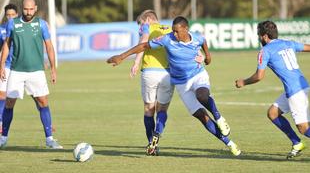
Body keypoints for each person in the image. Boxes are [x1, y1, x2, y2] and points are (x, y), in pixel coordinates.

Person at [107, 16, 240, 156]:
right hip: (181, 84)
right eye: (173, 31)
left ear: (186, 29)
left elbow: (205, 47)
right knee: (202, 117)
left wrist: (207, 58)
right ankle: (229, 143)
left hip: (197, 76)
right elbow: (144, 45)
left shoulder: (197, 38)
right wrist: (122, 56)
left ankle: (219, 117)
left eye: (177, 31)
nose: (174, 34)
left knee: (202, 95)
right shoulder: (167, 39)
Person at [235, 20, 310, 159]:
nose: (258, 38)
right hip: (301, 85)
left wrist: (243, 82)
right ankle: (296, 143)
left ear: (264, 36)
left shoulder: (265, 50)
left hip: (295, 91)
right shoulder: (288, 43)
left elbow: (259, 76)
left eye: (259, 35)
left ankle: (298, 140)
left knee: (304, 128)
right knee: (273, 113)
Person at [0, 0, 62, 149]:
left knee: (43, 102)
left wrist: (53, 69)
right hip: (16, 71)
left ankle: (49, 139)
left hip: (36, 72)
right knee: (9, 103)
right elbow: (7, 45)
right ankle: (3, 138)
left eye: (31, 9)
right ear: (23, 8)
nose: (28, 12)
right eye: (25, 9)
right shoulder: (12, 24)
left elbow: (49, 46)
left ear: (35, 8)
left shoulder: (41, 24)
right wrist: (2, 65)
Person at [131, 10, 174, 155]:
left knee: (149, 109)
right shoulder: (169, 28)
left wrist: (136, 62)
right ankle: (158, 132)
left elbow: (143, 41)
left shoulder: (147, 27)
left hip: (149, 72)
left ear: (148, 19)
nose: (140, 27)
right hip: (168, 73)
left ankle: (151, 143)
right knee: (162, 110)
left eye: (141, 23)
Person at [0, 4, 18, 134]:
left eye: (13, 15)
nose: (10, 17)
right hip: (6, 66)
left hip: (20, 66)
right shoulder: (1, 30)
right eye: (8, 15)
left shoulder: (23, 28)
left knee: (37, 96)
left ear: (17, 15)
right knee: (2, 95)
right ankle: (1, 122)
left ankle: (48, 124)